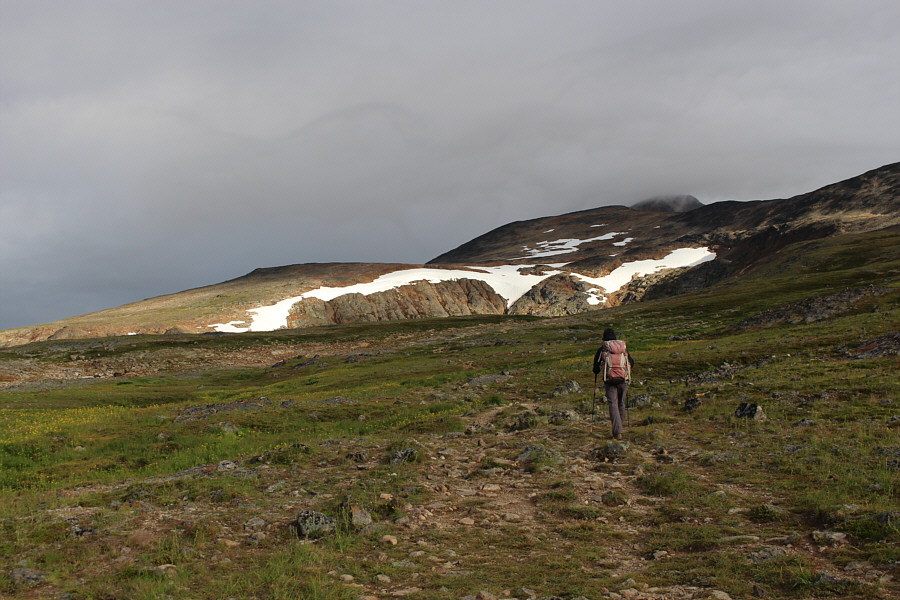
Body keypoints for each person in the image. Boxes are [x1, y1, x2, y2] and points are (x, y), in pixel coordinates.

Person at [592, 327, 634, 439]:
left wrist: (597, 370)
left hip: (610, 380)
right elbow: (632, 362)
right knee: (621, 403)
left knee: (613, 404)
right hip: (623, 379)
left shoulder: (603, 349)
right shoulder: (623, 349)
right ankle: (620, 427)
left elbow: (596, 367)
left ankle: (617, 431)